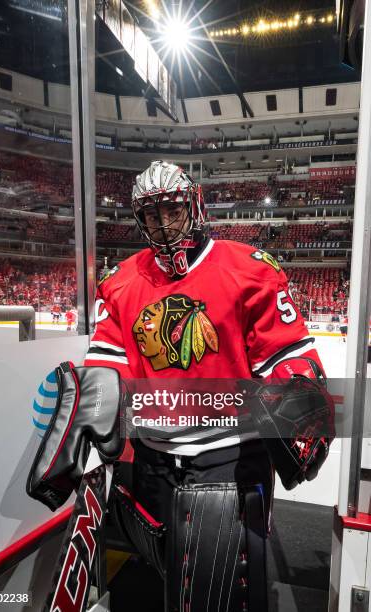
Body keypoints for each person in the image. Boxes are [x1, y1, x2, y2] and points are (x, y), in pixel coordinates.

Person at [84, 161, 333, 611]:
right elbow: (106, 360)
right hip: (153, 456)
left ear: (194, 205)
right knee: (163, 567)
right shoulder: (119, 281)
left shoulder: (250, 268)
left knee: (228, 584)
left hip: (231, 456)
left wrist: (298, 400)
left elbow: (290, 355)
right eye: (151, 216)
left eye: (172, 211)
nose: (162, 225)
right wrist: (92, 402)